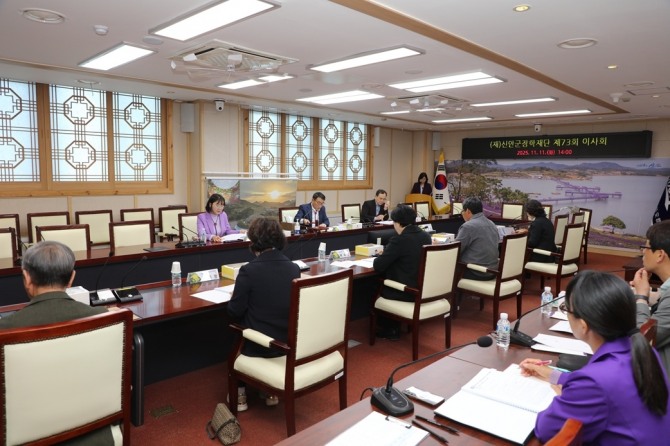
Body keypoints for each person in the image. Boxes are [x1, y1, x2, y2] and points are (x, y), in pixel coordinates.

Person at [520, 271, 670, 443]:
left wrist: (563, 397)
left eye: (566, 309)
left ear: (583, 325)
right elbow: (596, 384)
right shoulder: (641, 350)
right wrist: (552, 374)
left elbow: (546, 430)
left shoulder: (596, 380)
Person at [0, 240, 115, 445]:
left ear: (27, 278)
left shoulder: (6, 328)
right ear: (71, 278)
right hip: (96, 433)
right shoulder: (104, 317)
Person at [227, 217, 301, 411]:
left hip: (259, 346)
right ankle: (269, 392)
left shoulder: (248, 270)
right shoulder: (294, 268)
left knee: (238, 326)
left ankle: (240, 393)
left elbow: (234, 312)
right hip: (286, 343)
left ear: (253, 241)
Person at [373, 204, 431, 339]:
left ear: (398, 223)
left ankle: (390, 329)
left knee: (376, 284)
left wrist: (382, 255)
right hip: (422, 288)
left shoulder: (399, 240)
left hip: (406, 291)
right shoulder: (425, 236)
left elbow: (378, 266)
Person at [630, 219, 670, 378]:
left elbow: (642, 339)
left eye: (645, 247)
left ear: (660, 255)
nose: (642, 252)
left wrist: (641, 297)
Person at [455, 197, 499, 280]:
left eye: (462, 211)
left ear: (468, 211)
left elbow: (455, 250)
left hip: (476, 272)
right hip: (492, 271)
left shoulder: (468, 226)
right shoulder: (492, 224)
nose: (462, 214)